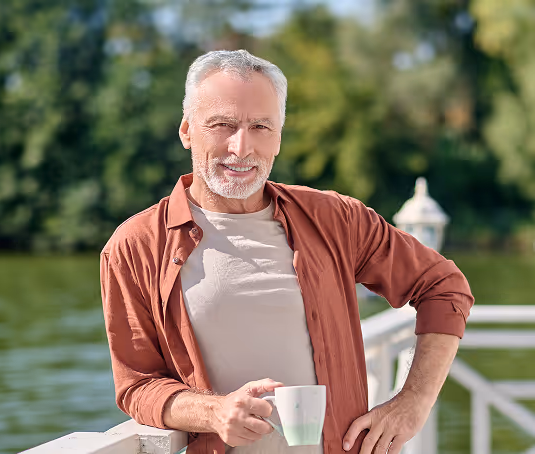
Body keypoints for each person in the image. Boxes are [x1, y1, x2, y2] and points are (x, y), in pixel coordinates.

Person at [100, 50, 474, 454]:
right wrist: (214, 412)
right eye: (223, 125)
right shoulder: (135, 246)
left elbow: (444, 287)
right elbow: (138, 386)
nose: (241, 147)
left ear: (278, 135)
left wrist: (413, 403)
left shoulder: (335, 218)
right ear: (188, 130)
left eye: (261, 126)